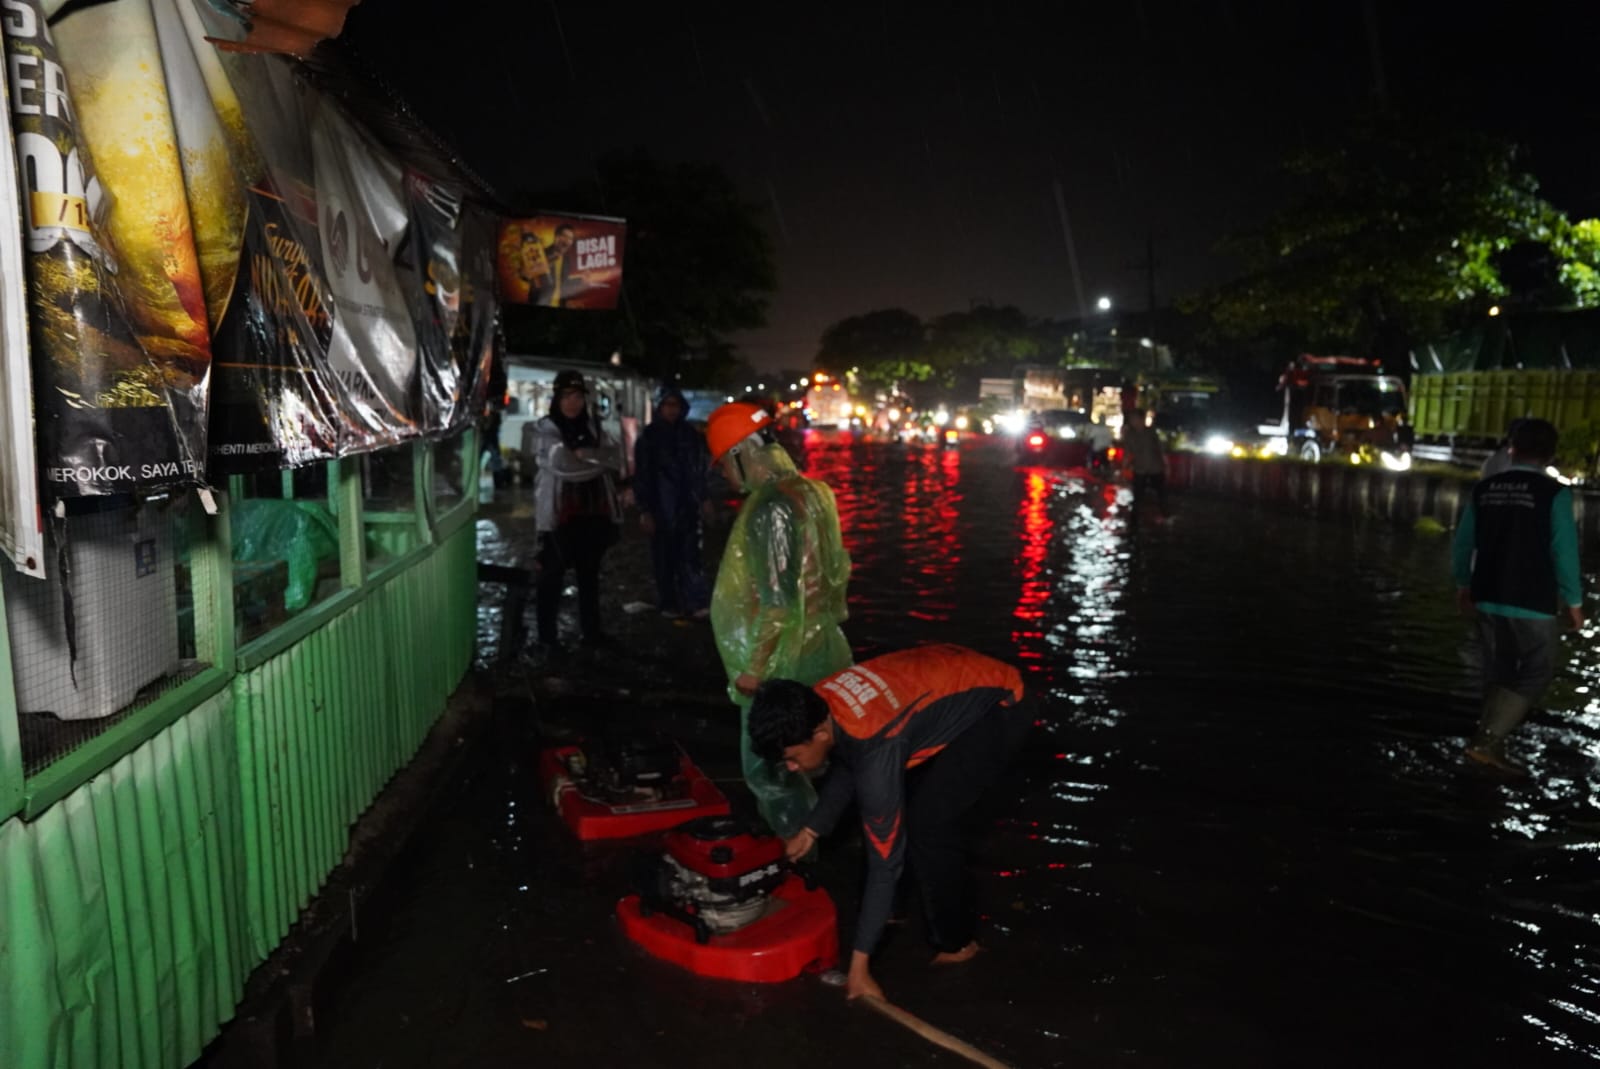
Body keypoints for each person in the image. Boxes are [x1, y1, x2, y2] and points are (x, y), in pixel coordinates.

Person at [748, 644, 1031, 1002]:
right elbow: (849, 758)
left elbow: (885, 861)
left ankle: (957, 942)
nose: (791, 768)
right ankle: (889, 911)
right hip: (942, 678)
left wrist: (859, 968)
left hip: (1001, 704)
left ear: (818, 733)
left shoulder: (876, 746)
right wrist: (811, 828)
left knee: (928, 826)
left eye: (792, 758)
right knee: (884, 807)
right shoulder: (815, 702)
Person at [706, 401, 852, 839]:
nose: (724, 476)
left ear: (740, 454)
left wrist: (754, 670)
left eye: (723, 465)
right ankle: (828, 834)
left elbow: (777, 603)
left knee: (773, 769)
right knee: (819, 753)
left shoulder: (771, 508)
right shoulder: (814, 492)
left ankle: (798, 851)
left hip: (786, 660)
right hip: (824, 646)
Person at [1452, 418, 1582, 775]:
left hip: (1487, 594)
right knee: (1537, 671)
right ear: (1550, 454)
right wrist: (1573, 601)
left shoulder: (1486, 488)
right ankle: (1486, 742)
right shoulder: (1554, 493)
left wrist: (1463, 584)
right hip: (1532, 599)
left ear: (1512, 449)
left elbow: (1463, 542)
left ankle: (1488, 741)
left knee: (1501, 669)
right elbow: (1564, 551)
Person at [532, 370, 624, 649]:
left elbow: (617, 457)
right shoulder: (546, 429)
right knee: (551, 578)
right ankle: (547, 640)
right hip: (559, 518)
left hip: (593, 516)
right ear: (556, 399)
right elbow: (563, 466)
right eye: (566, 397)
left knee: (589, 577)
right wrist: (598, 462)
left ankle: (592, 634)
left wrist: (587, 456)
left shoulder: (593, 426)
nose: (573, 403)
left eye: (577, 397)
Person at [634, 385, 711, 619]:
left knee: (690, 554)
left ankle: (694, 601)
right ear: (660, 407)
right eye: (667, 405)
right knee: (664, 557)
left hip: (687, 505)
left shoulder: (690, 435)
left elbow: (699, 470)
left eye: (675, 405)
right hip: (661, 506)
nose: (672, 410)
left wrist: (704, 498)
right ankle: (669, 602)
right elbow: (643, 475)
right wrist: (645, 509)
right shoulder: (650, 436)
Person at [1120, 408, 1168, 516]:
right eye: (1131, 419)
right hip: (1140, 469)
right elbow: (1127, 454)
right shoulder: (1129, 435)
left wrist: (1166, 465)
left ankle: (1164, 515)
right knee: (1137, 498)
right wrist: (1123, 470)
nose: (1132, 421)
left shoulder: (1151, 432)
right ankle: (1135, 521)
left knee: (1161, 495)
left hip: (1155, 468)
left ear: (1141, 419)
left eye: (1134, 418)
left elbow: (1161, 450)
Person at [534, 224, 583, 307]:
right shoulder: (541, 254)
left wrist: (581, 279)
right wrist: (549, 260)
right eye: (565, 236)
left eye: (570, 238)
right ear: (556, 237)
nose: (567, 241)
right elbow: (529, 276)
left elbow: (562, 283)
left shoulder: (566, 260)